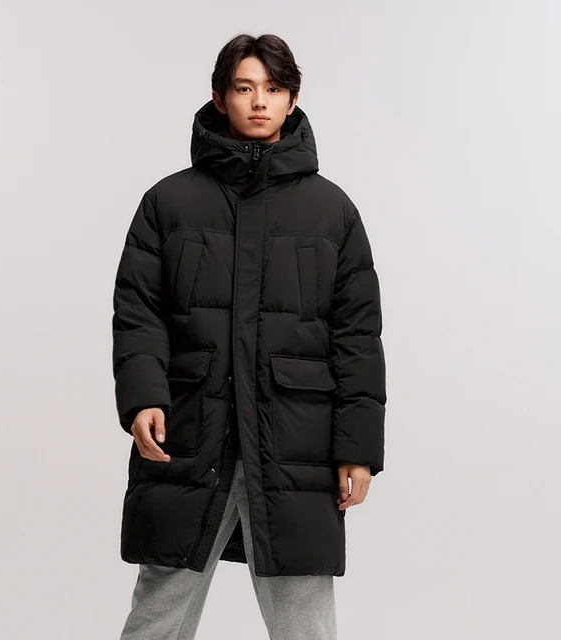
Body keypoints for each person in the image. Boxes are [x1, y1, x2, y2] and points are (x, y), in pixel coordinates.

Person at [111, 32, 386, 640]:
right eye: (244, 87)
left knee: (304, 615)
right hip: (190, 432)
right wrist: (144, 398)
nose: (259, 101)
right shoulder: (168, 203)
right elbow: (139, 313)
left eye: (274, 88)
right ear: (219, 97)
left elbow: (357, 337)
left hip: (296, 442)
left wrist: (358, 448)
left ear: (292, 99)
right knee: (161, 607)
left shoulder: (332, 212)